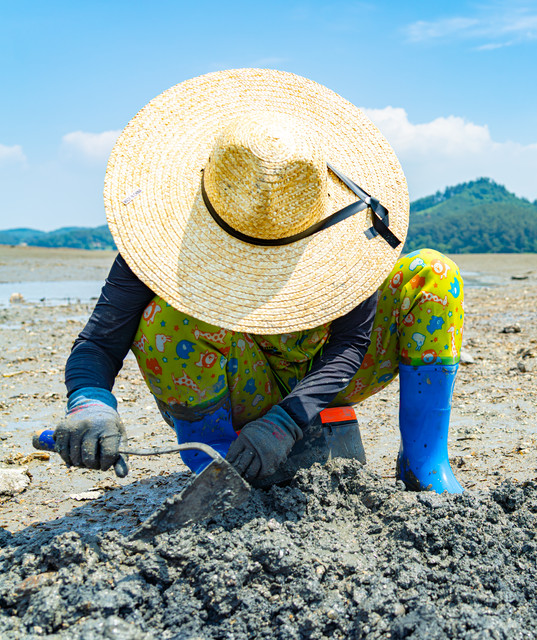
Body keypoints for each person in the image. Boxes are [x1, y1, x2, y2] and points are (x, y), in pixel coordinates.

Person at [54, 69, 465, 493]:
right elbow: (99, 342)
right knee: (167, 317)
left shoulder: (342, 237)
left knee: (433, 273)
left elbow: (351, 343)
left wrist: (286, 421)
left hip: (325, 376)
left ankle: (425, 462)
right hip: (234, 388)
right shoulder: (159, 245)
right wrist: (89, 402)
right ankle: (215, 465)